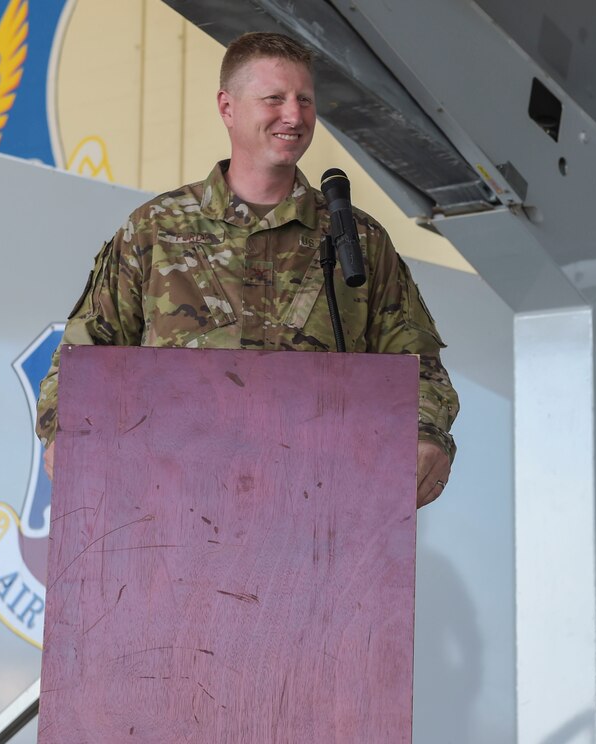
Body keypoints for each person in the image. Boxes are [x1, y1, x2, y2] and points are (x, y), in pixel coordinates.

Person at [35, 32, 458, 507]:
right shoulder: (156, 229)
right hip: (167, 511)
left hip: (321, 512)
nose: (294, 116)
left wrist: (426, 437)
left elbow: (418, 370)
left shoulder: (356, 240)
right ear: (227, 107)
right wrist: (64, 430)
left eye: (304, 100)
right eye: (273, 98)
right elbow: (83, 358)